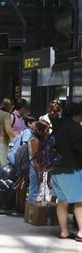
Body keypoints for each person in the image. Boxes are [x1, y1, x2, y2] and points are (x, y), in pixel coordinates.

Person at [50, 102, 82, 240]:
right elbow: (79, 149)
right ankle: (81, 232)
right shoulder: (74, 128)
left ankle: (64, 232)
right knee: (80, 202)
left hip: (56, 171)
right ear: (76, 114)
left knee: (62, 202)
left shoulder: (57, 125)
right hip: (71, 170)